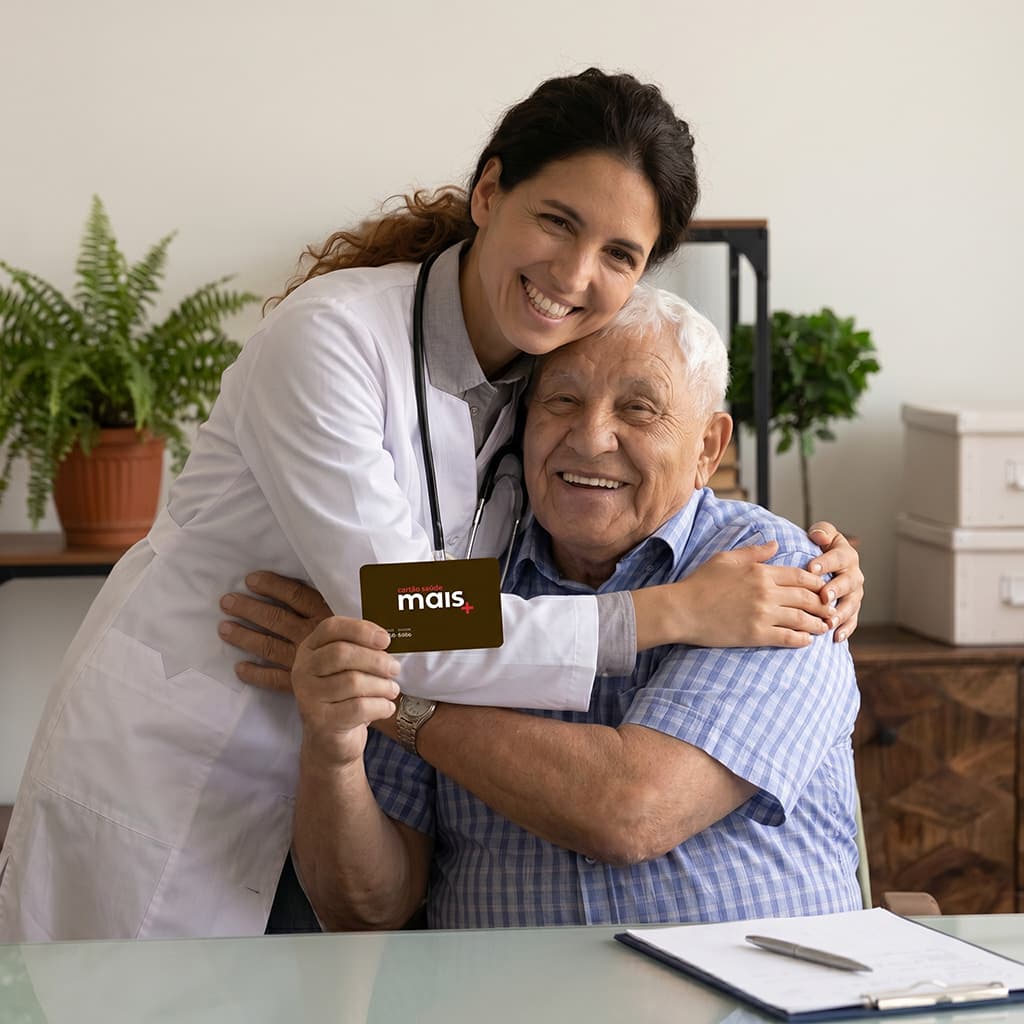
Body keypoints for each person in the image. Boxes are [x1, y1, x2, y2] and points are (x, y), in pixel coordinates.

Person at [0, 68, 861, 943]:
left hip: (338, 769)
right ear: (490, 192)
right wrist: (670, 611)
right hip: (183, 768)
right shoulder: (328, 342)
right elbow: (406, 617)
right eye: (557, 220)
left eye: (618, 255)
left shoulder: (538, 387)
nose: (573, 273)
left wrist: (820, 557)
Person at [222, 286, 862, 929]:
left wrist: (400, 705)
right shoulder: (466, 575)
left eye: (639, 409)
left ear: (707, 449)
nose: (589, 438)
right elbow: (366, 910)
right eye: (561, 400)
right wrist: (333, 745)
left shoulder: (774, 568)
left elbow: (631, 810)